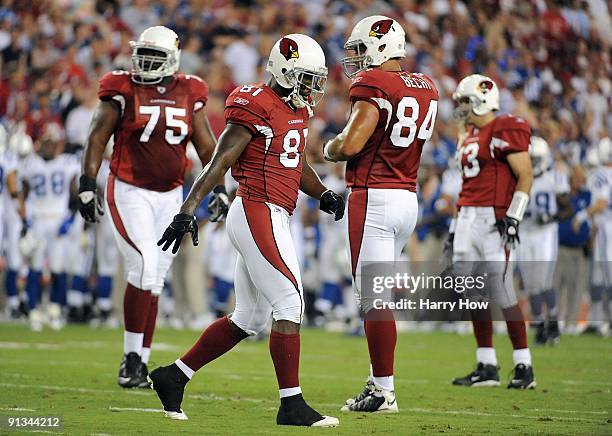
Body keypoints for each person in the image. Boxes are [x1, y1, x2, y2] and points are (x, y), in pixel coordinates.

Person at [150, 34, 343, 427]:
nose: (313, 88)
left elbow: (293, 161)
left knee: (249, 317)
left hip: (273, 213)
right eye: (306, 78)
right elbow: (220, 161)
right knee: (290, 304)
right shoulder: (254, 103)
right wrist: (188, 209)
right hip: (257, 209)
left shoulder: (293, 110)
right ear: (285, 72)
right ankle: (291, 404)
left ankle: (174, 375)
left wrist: (322, 194)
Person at [78, 26, 225, 388]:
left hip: (170, 195)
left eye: (155, 56)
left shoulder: (191, 90)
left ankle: (139, 365)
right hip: (129, 190)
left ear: (172, 58)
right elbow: (97, 136)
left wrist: (219, 188)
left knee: (154, 279)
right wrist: (86, 183)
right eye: (142, 54)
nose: (146, 62)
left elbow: (207, 146)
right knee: (143, 263)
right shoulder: (121, 87)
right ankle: (130, 357)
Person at [324, 15, 439, 412]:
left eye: (359, 49)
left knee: (373, 298)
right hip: (407, 196)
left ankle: (383, 390)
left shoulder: (373, 84)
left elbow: (353, 143)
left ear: (379, 46)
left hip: (374, 195)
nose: (355, 59)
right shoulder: (426, 85)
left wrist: (330, 147)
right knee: (380, 295)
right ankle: (379, 383)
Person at [448, 74, 536, 389]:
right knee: (472, 292)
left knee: (501, 290)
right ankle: (486, 364)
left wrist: (513, 217)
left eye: (466, 102)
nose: (461, 109)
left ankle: (524, 365)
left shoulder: (506, 127)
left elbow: (525, 175)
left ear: (482, 99)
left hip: (493, 219)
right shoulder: (470, 133)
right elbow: (467, 184)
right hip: (467, 217)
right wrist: (455, 225)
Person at [20, 123, 80, 331]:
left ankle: (54, 309)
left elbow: (75, 194)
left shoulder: (68, 163)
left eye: (53, 143)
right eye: (47, 142)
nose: (50, 147)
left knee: (57, 267)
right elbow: (23, 194)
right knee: (35, 268)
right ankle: (33, 310)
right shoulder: (30, 163)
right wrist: (24, 220)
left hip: (57, 219)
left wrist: (70, 218)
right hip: (37, 220)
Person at [517, 137, 571, 345]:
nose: (532, 162)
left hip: (545, 232)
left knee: (544, 281)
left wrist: (551, 217)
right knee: (530, 283)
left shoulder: (554, 177)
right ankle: (539, 325)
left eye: (535, 158)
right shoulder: (519, 177)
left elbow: (568, 209)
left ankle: (553, 323)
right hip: (525, 231)